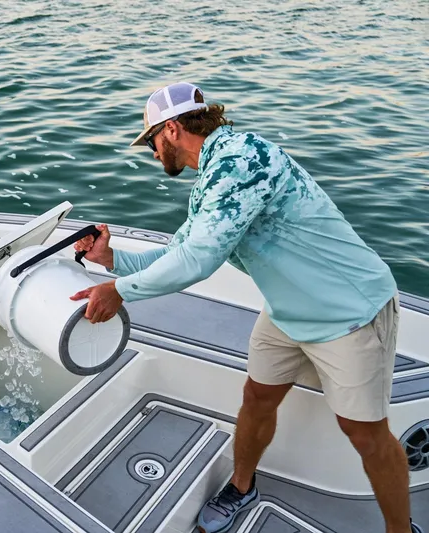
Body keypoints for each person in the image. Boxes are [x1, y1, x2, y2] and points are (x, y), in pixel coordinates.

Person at [71, 82, 422, 533]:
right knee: (257, 397)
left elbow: (196, 263)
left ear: (173, 130)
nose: (153, 153)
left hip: (348, 312)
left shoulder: (241, 162)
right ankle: (241, 486)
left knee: (365, 434)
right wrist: (111, 260)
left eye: (152, 142)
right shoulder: (215, 172)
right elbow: (182, 250)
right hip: (287, 310)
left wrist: (119, 291)